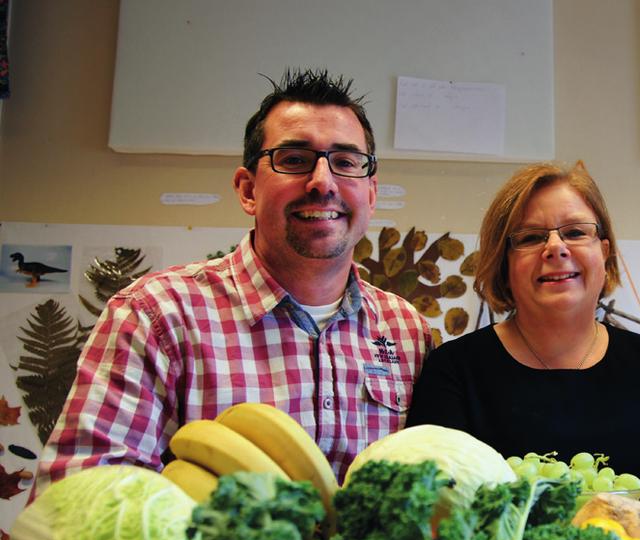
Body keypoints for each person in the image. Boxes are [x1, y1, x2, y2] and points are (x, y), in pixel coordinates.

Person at [37, 69, 432, 492]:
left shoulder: (407, 332)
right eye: (294, 159)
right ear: (247, 190)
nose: (322, 182)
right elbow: (77, 498)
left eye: (346, 162)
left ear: (371, 194)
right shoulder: (156, 317)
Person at [405, 162, 640, 499]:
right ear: (504, 263)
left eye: (576, 232)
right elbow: (433, 504)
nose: (556, 247)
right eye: (531, 237)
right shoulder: (454, 371)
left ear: (605, 253)